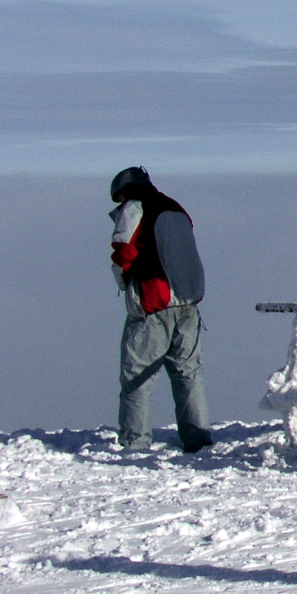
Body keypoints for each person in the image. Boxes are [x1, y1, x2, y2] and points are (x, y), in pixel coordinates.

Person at [108, 167, 214, 453]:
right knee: (188, 375)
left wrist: (122, 280)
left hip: (153, 306)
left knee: (137, 379)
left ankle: (135, 443)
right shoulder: (175, 208)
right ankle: (197, 440)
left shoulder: (136, 208)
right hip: (188, 305)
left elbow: (123, 252)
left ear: (125, 192)